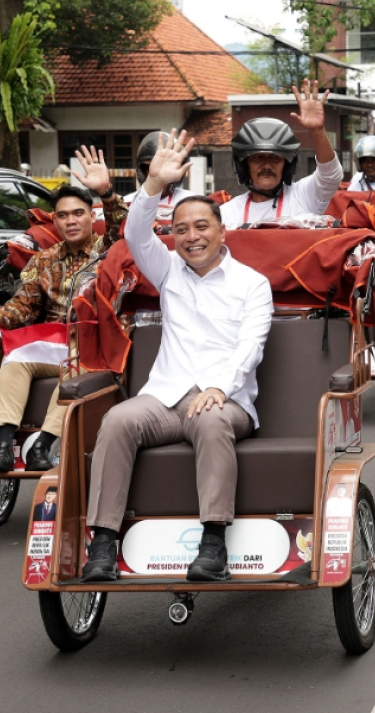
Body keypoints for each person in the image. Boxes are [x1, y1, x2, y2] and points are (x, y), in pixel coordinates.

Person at [82, 129, 273, 582]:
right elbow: (132, 232)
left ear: (222, 230)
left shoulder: (252, 283)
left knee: (210, 418)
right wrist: (151, 184)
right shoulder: (167, 270)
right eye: (181, 229)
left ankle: (213, 543)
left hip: (227, 402)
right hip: (166, 397)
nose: (191, 237)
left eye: (201, 227)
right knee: (118, 420)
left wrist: (217, 389)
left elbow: (251, 346)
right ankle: (104, 544)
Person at [0, 147, 127, 473]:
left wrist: (106, 192)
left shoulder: (108, 250)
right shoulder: (44, 259)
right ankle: (2, 446)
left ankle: (43, 444)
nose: (70, 220)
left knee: (75, 362)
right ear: (54, 220)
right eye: (62, 215)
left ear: (90, 216)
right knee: (14, 359)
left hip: (93, 343)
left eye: (78, 213)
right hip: (53, 341)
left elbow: (123, 226)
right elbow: (24, 301)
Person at [220, 79, 342, 227]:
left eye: (275, 158)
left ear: (288, 165)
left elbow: (331, 176)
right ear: (243, 165)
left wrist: (317, 131)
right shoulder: (226, 213)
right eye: (258, 158)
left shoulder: (303, 196)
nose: (267, 165)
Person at [124, 132, 196, 231]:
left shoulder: (192, 201)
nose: (158, 172)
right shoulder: (126, 204)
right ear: (142, 170)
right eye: (151, 166)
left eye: (165, 166)